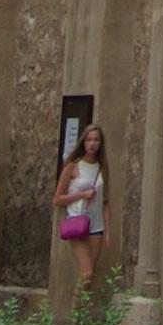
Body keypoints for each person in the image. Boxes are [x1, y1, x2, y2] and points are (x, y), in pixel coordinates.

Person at [53, 119, 110, 299]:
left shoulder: (102, 167)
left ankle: (80, 318)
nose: (92, 144)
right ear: (83, 142)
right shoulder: (73, 166)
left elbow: (106, 201)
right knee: (86, 272)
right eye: (89, 140)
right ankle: (74, 318)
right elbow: (57, 199)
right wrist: (81, 195)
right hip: (77, 222)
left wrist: (108, 230)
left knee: (88, 277)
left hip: (96, 225)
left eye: (96, 140)